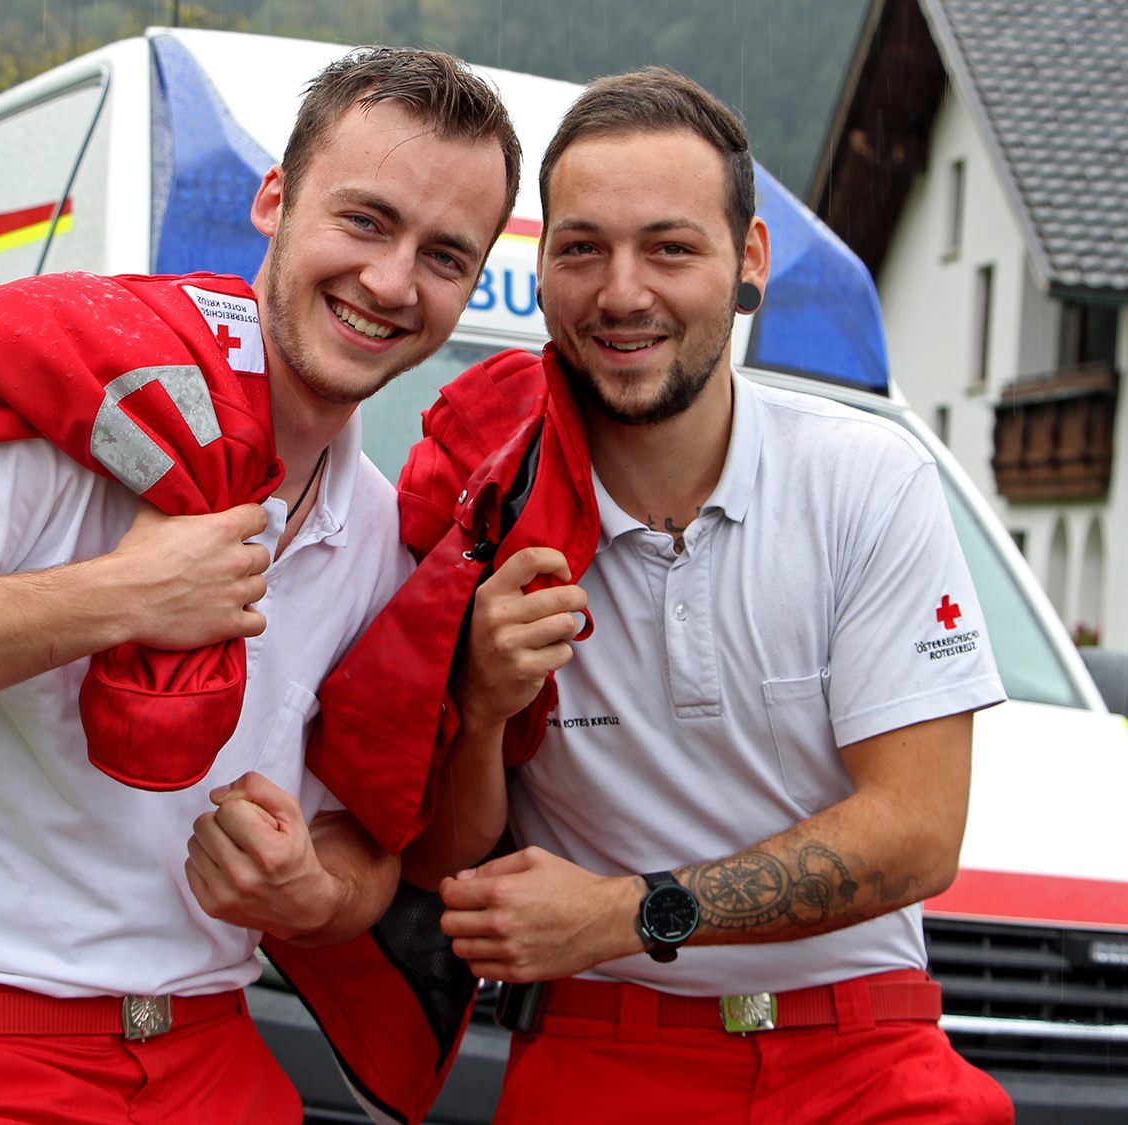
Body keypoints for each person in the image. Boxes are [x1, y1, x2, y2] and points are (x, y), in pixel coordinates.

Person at [0, 47, 520, 1124]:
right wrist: (123, 595)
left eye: (444, 257)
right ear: (273, 200)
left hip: (210, 1055)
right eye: (365, 222)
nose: (391, 282)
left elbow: (367, 853)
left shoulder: (381, 535)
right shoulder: (80, 413)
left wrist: (313, 894)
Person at [404, 67, 1015, 1122]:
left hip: (861, 1049)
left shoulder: (864, 479)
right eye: (582, 247)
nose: (623, 291)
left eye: (670, 247)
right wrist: (481, 707)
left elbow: (919, 832)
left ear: (749, 261)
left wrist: (632, 913)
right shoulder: (477, 508)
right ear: (542, 268)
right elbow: (448, 869)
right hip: (600, 1052)